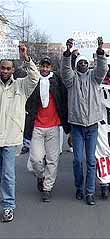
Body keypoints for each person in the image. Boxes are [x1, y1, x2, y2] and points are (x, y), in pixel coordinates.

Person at [61, 37, 108, 206]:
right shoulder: (71, 80)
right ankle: (79, 187)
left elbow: (102, 69)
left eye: (85, 63)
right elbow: (65, 69)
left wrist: (100, 51)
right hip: (77, 127)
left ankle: (90, 192)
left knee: (91, 160)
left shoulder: (95, 79)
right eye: (80, 63)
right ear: (77, 65)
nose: (83, 65)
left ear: (89, 65)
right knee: (77, 160)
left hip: (93, 126)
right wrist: (67, 53)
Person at [0, 44, 40, 222]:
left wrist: (26, 58)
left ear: (13, 70)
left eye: (8, 68)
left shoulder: (21, 86)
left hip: (9, 138)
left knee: (8, 174)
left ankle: (8, 205)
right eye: (3, 67)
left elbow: (34, 77)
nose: (5, 71)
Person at [26, 57, 70, 202]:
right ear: (39, 67)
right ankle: (41, 176)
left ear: (51, 67)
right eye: (42, 66)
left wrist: (67, 126)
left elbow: (65, 99)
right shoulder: (34, 81)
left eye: (47, 66)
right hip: (37, 126)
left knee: (52, 160)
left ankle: (47, 188)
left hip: (53, 127)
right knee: (36, 159)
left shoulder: (56, 81)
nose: (45, 69)